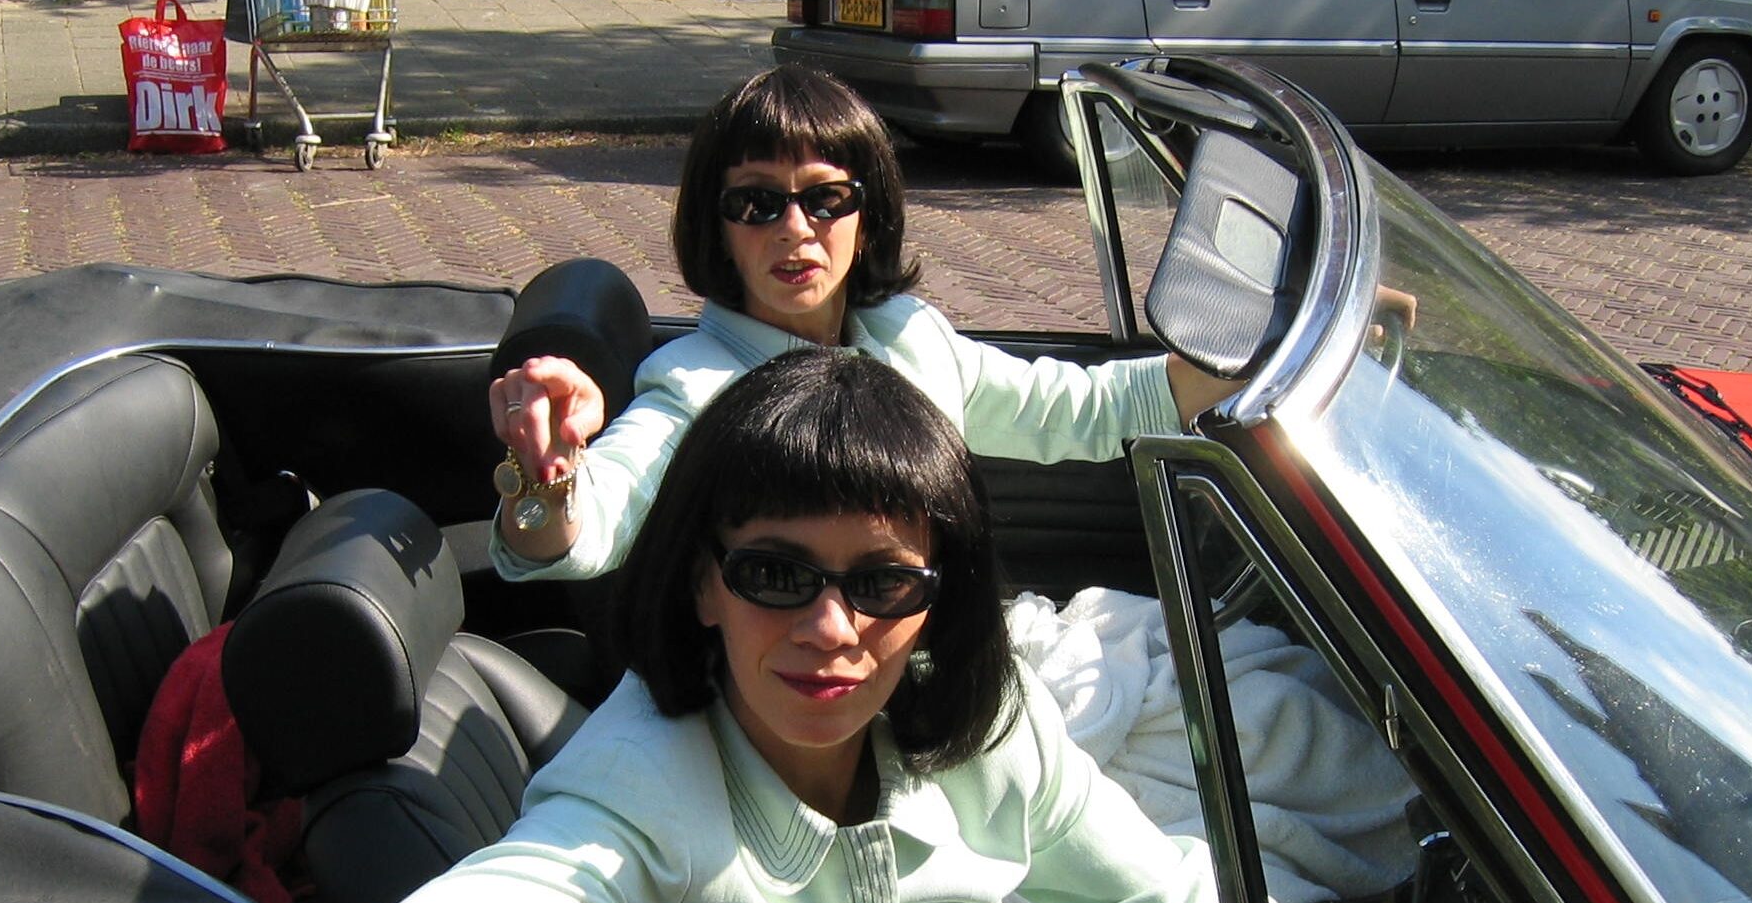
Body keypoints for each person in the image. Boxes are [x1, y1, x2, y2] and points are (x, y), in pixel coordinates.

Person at [299, 349, 1332, 903]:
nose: (833, 629)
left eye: (883, 582)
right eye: (776, 575)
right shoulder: (639, 786)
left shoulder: (990, 724)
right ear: (702, 584)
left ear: (938, 598)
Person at [484, 63, 1243, 579]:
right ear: (717, 228)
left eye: (825, 198)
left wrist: (1256, 346)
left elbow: (1084, 409)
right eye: (756, 202)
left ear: (868, 214)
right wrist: (548, 476)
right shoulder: (693, 387)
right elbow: (590, 527)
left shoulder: (909, 335)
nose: (794, 229)